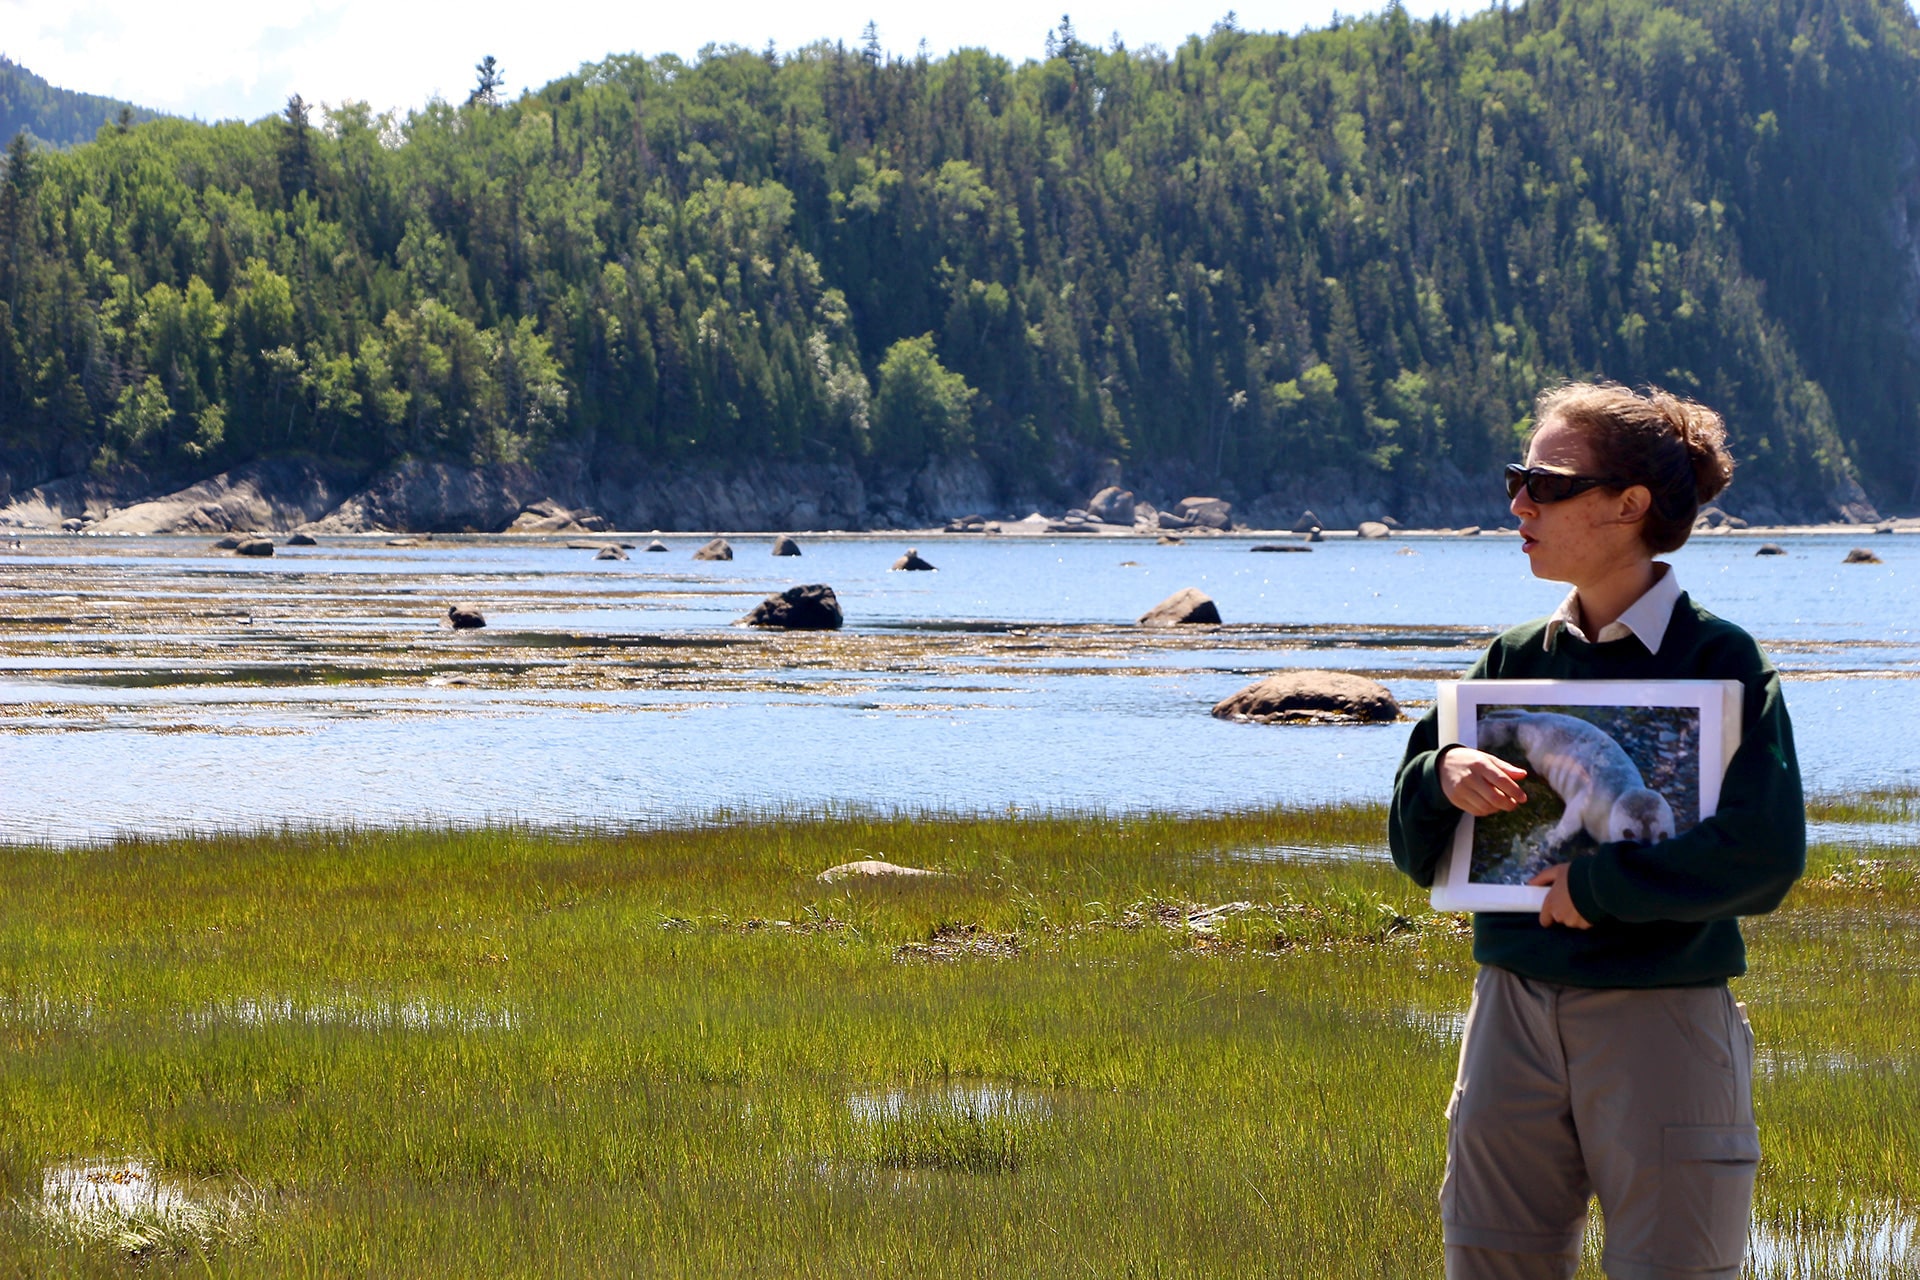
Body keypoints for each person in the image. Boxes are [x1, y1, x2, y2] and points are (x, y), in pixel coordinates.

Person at [1388, 382, 1806, 1280]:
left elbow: (1765, 857)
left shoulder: (1722, 661)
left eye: (1547, 482)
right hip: (1508, 1014)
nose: (1519, 503)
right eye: (1517, 477)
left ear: (1630, 505)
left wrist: (1602, 889)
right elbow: (1413, 850)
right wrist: (1440, 778)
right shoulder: (1508, 663)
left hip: (1665, 1018)